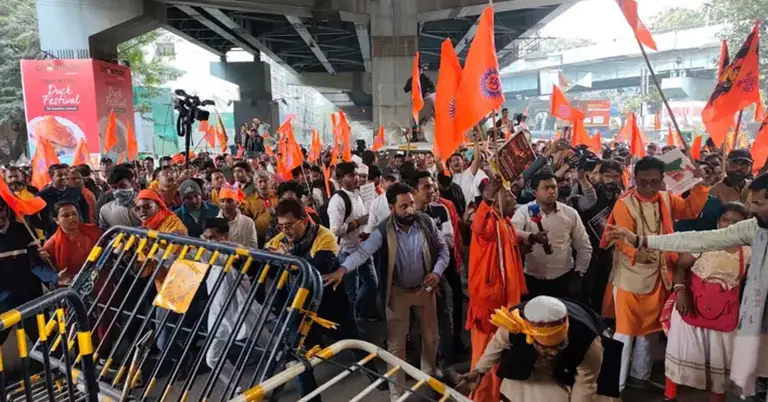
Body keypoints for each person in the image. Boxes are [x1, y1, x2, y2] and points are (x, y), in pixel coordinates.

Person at [604, 173, 768, 399]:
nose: (752, 208)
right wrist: (641, 241)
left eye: (758, 203)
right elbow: (695, 239)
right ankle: (620, 387)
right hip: (721, 310)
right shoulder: (752, 228)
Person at [323, 183, 449, 401]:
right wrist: (343, 269)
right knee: (396, 346)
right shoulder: (383, 230)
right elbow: (363, 253)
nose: (410, 210)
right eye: (403, 207)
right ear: (392, 208)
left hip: (425, 290)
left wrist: (437, 273)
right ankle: (396, 394)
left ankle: (429, 378)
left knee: (430, 338)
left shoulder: (425, 222)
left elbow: (443, 250)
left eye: (411, 204)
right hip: (397, 293)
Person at [601, 156, 708, 392]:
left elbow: (690, 210)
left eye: (655, 182)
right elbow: (620, 237)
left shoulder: (668, 199)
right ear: (634, 179)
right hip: (631, 276)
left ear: (662, 180)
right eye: (643, 182)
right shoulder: (624, 203)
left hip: (660, 275)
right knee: (624, 334)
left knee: (649, 332)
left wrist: (700, 185)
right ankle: (612, 386)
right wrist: (635, 253)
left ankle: (640, 376)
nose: (649, 187)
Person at [265, 199, 381, 400]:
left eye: (289, 225)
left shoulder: (324, 236)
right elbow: (264, 261)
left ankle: (373, 374)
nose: (285, 231)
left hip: (331, 306)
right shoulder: (278, 241)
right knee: (302, 361)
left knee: (352, 340)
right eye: (281, 226)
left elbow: (317, 267)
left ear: (303, 220)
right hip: (299, 310)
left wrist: (287, 261)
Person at [661, 202, 750, 402]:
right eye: (725, 220)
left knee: (720, 361)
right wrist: (681, 293)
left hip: (725, 313)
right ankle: (670, 396)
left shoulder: (748, 252)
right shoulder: (705, 242)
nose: (729, 225)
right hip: (690, 307)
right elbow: (680, 268)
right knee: (681, 353)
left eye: (736, 222)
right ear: (718, 222)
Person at [457, 296, 621, 402]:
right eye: (546, 348)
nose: (553, 352)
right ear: (531, 336)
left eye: (559, 346)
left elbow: (586, 385)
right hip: (531, 362)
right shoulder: (514, 324)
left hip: (581, 363)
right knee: (516, 389)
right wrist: (478, 371)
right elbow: (497, 345)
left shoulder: (589, 344)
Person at [466, 177, 527, 402]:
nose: (513, 197)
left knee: (500, 357)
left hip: (507, 303)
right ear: (495, 198)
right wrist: (487, 200)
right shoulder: (489, 220)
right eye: (508, 193)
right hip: (490, 304)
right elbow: (478, 226)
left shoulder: (505, 221)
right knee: (485, 359)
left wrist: (530, 237)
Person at [512, 172, 592, 300]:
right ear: (534, 192)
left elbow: (583, 245)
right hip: (532, 279)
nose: (551, 191)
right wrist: (531, 237)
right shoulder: (524, 212)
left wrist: (579, 273)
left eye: (554, 187)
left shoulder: (570, 214)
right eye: (546, 188)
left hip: (563, 278)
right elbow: (512, 234)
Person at [569, 160, 624, 312]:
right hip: (589, 251)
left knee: (603, 289)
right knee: (586, 291)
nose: (612, 180)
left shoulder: (622, 197)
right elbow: (585, 204)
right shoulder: (591, 194)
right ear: (600, 176)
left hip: (610, 252)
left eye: (616, 176)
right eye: (607, 176)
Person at [326, 162, 376, 322]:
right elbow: (334, 230)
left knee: (372, 282)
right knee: (351, 291)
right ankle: (352, 327)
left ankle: (359, 314)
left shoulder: (358, 194)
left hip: (362, 247)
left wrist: (366, 231)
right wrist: (358, 223)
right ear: (341, 179)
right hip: (346, 251)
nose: (357, 178)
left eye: (357, 174)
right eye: (352, 175)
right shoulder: (337, 200)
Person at [41, 201, 103, 286]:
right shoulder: (51, 245)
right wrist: (56, 277)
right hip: (77, 287)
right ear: (56, 220)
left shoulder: (93, 230)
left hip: (102, 280)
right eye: (66, 215)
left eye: (74, 214)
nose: (72, 218)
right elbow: (47, 272)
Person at [39, 163, 90, 236]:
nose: (64, 177)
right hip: (55, 234)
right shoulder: (43, 195)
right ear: (51, 177)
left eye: (66, 174)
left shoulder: (75, 191)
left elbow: (85, 209)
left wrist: (85, 224)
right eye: (59, 175)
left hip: (76, 232)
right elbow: (31, 215)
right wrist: (46, 225)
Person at [241, 171, 278, 246]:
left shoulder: (277, 197)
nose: (263, 184)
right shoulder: (249, 201)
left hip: (277, 235)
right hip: (259, 237)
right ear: (255, 184)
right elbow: (247, 222)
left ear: (270, 182)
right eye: (260, 181)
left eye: (265, 181)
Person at [99, 165, 141, 230]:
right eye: (114, 188)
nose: (118, 191)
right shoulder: (106, 210)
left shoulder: (146, 205)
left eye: (122, 186)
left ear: (132, 183)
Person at [217, 184, 258, 250]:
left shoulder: (248, 222)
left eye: (229, 201)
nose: (225, 204)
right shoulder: (214, 222)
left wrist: (239, 248)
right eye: (222, 201)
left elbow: (254, 248)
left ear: (238, 203)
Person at [449, 141, 481, 207]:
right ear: (450, 164)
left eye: (458, 160)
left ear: (462, 161)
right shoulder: (449, 178)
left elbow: (477, 160)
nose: (456, 162)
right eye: (453, 161)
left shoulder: (469, 172)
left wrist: (476, 142)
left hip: (471, 210)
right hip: (456, 212)